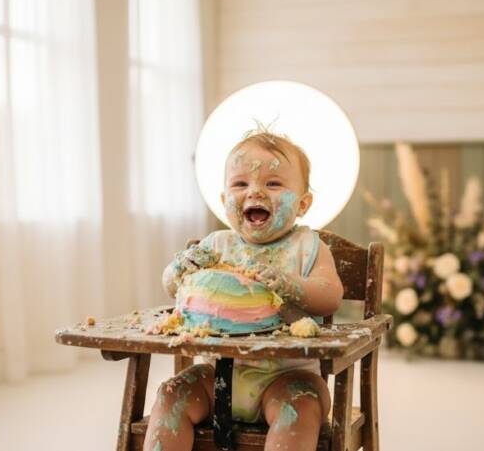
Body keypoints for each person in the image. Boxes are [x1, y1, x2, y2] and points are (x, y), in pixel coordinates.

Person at [144, 129, 344, 451]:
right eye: (240, 184)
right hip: (216, 375)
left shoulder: (308, 247)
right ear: (224, 201)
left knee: (301, 408)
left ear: (304, 203)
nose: (255, 192)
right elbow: (173, 287)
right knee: (170, 395)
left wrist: (289, 283)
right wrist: (179, 269)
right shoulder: (214, 246)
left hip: (288, 377)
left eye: (273, 183)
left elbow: (330, 295)